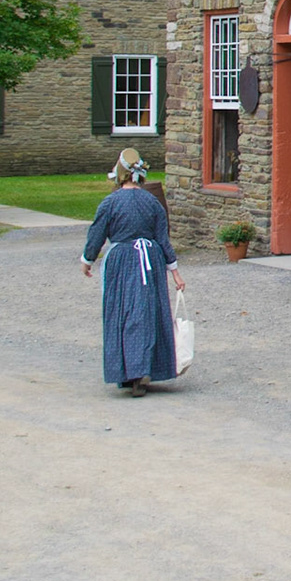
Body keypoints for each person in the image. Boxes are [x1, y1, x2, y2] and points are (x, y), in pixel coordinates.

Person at [81, 148, 184, 396]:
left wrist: (87, 259)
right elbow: (163, 239)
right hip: (151, 260)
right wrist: (175, 273)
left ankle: (130, 373)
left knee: (124, 314)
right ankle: (144, 369)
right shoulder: (153, 202)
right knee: (147, 313)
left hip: (122, 261)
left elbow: (97, 234)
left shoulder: (110, 202)